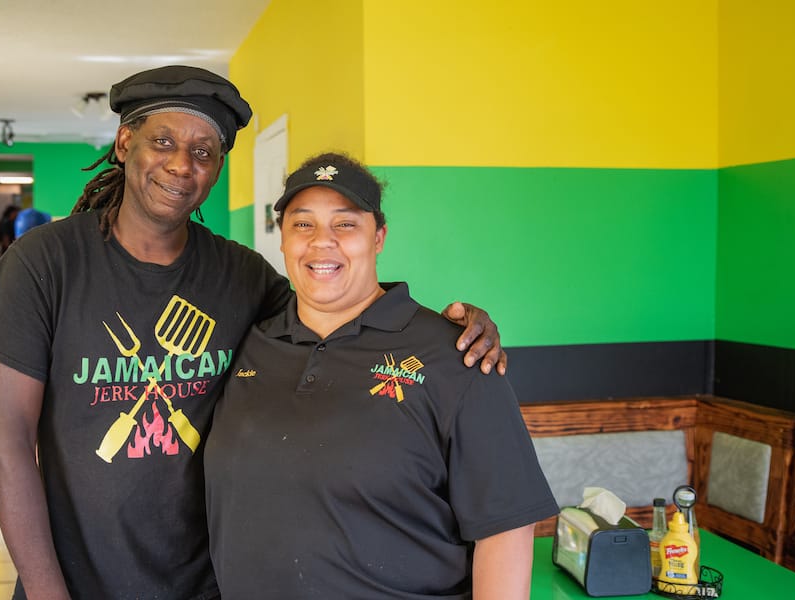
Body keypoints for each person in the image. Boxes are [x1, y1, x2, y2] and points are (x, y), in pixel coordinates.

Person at [0, 65, 504, 600]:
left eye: (204, 152)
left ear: (217, 168)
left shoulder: (239, 275)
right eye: (163, 141)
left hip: (210, 583)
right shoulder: (45, 263)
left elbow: (334, 312)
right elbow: (7, 442)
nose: (181, 165)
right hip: (78, 581)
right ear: (125, 143)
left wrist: (445, 328)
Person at [206, 152, 557, 599]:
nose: (321, 242)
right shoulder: (250, 341)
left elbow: (505, 529)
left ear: (379, 237)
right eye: (303, 223)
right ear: (282, 238)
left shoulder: (458, 356)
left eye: (346, 223)